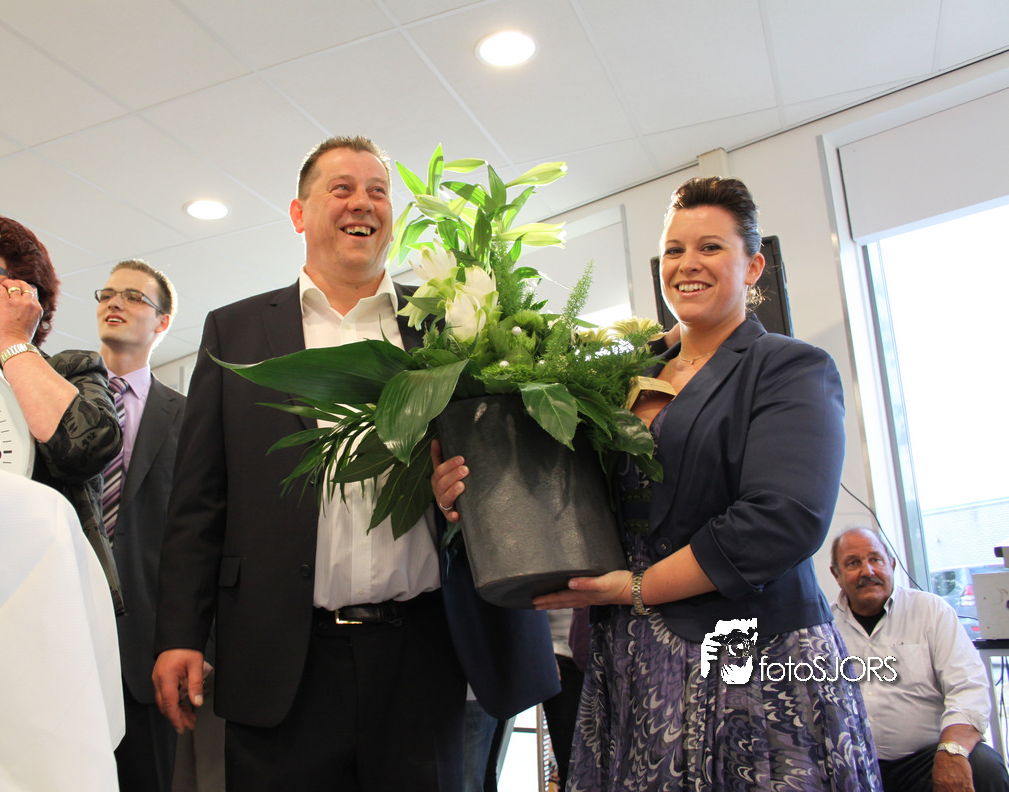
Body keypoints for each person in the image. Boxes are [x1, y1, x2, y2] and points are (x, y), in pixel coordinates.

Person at [434, 176, 880, 790]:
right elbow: (567, 497)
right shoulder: (625, 376)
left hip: (746, 661)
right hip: (630, 660)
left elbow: (783, 520)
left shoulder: (788, 366)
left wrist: (638, 588)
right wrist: (471, 492)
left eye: (710, 247)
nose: (687, 263)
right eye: (674, 250)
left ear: (753, 266)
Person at [151, 135, 558, 792]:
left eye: (378, 191)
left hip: (422, 654)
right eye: (341, 188)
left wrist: (463, 492)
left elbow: (508, 468)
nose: (362, 203)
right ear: (298, 212)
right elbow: (199, 501)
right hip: (281, 655)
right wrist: (180, 634)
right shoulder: (236, 332)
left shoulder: (450, 323)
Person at [0, 212, 123, 612]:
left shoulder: (72, 369)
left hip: (39, 592)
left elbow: (84, 451)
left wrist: (12, 338)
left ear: (23, 291)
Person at [95, 260, 187, 791]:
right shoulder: (56, 396)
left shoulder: (190, 417)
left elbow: (204, 536)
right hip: (63, 630)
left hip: (147, 650)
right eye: (107, 293)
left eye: (133, 296)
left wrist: (196, 641)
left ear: (162, 322)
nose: (115, 302)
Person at [831, 525, 1009, 792]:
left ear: (891, 564)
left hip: (926, 759)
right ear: (836, 574)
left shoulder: (931, 611)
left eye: (875, 559)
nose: (867, 571)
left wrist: (952, 751)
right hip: (853, 765)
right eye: (853, 563)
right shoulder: (824, 628)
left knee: (984, 767)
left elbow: (968, 688)